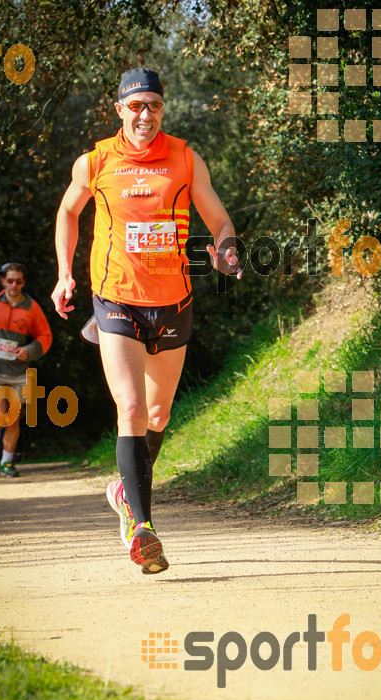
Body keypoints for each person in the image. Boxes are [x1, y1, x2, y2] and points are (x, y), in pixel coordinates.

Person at [52, 67, 241, 575]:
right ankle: (143, 528)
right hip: (115, 299)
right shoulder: (95, 162)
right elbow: (69, 214)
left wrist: (226, 250)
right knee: (131, 408)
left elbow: (219, 220)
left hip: (173, 301)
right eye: (135, 106)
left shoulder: (183, 158)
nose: (145, 115)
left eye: (153, 105)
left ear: (163, 109)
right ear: (119, 111)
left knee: (157, 418)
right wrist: (65, 275)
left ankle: (123, 490)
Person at [0, 262, 53, 477]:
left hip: (19, 371)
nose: (14, 285)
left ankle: (6, 463)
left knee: (13, 416)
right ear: (3, 281)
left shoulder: (32, 306)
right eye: (10, 280)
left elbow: (45, 336)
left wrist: (29, 350)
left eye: (19, 281)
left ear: (23, 282)